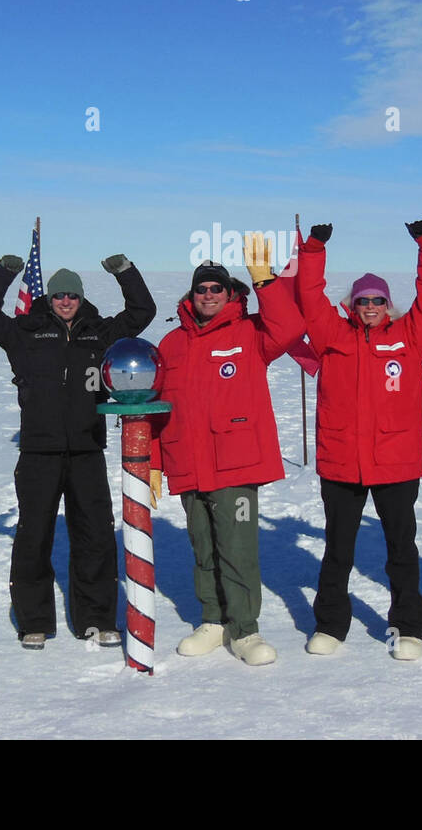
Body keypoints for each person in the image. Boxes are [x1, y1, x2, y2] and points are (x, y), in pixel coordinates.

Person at [0, 251, 155, 650]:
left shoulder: (99, 332)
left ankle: (97, 618)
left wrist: (125, 272)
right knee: (34, 536)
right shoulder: (26, 331)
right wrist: (4, 272)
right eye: (58, 296)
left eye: (71, 295)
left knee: (94, 536)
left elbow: (142, 310)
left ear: (81, 297)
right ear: (48, 298)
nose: (65, 301)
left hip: (87, 449)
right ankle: (34, 621)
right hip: (38, 451)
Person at [149, 235, 303, 666]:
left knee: (237, 547)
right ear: (191, 294)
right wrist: (157, 464)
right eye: (202, 288)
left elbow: (291, 329)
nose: (209, 295)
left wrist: (265, 280)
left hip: (235, 464)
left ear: (231, 293)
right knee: (202, 546)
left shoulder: (251, 331)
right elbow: (160, 410)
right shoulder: (171, 344)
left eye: (218, 288)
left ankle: (245, 629)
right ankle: (213, 621)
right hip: (188, 463)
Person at [296, 220, 422, 661]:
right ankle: (329, 625)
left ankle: (409, 627)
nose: (371, 307)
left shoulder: (409, 337)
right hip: (342, 463)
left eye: (379, 300)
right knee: (338, 550)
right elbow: (308, 297)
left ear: (388, 304)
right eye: (363, 301)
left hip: (395, 465)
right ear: (351, 305)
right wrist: (314, 248)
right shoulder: (332, 336)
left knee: (401, 550)